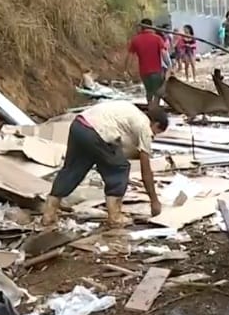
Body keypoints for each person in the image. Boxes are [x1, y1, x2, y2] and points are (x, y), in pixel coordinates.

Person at [40, 101, 169, 230]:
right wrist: (154, 201)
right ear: (156, 124)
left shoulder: (132, 112)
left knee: (73, 168)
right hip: (96, 132)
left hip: (79, 125)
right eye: (156, 133)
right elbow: (145, 170)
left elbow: (118, 143)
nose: (153, 137)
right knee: (119, 168)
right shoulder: (144, 126)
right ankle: (115, 217)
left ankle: (49, 214)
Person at [125, 19, 167, 105]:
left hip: (144, 71)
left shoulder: (136, 40)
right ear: (151, 26)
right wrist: (170, 66)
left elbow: (130, 57)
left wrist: (127, 69)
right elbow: (164, 54)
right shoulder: (157, 38)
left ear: (141, 27)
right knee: (157, 91)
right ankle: (155, 107)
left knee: (149, 90)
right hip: (156, 70)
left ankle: (150, 105)